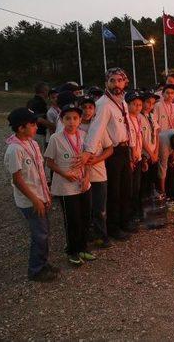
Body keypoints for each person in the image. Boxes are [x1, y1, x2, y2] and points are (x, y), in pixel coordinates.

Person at [4, 107, 58, 282]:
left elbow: (40, 173)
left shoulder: (33, 143)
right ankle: (36, 269)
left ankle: (42, 262)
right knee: (39, 234)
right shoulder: (14, 150)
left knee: (44, 232)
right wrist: (35, 199)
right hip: (29, 201)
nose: (36, 127)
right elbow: (18, 180)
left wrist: (46, 194)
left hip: (40, 196)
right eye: (33, 124)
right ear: (21, 128)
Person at [82, 68, 135, 241]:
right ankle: (113, 227)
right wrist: (88, 151)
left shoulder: (122, 102)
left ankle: (124, 221)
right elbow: (96, 129)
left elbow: (128, 127)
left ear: (124, 82)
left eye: (119, 80)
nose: (116, 84)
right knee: (114, 191)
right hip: (114, 153)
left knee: (126, 188)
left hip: (125, 149)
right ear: (106, 83)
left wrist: (132, 147)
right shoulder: (103, 104)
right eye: (112, 80)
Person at [44, 104, 94, 266]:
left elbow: (87, 159)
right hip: (66, 186)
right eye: (67, 118)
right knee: (73, 220)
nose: (71, 122)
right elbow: (49, 162)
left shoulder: (84, 135)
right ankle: (72, 251)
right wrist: (64, 173)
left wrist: (87, 177)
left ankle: (83, 248)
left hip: (83, 184)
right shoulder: (55, 139)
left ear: (80, 120)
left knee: (86, 216)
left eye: (75, 118)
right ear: (62, 120)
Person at [79, 96, 113, 248]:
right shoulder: (75, 128)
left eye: (90, 107)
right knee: (84, 209)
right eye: (84, 107)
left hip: (98, 174)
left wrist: (98, 159)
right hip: (79, 176)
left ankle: (101, 236)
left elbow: (109, 148)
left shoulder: (98, 127)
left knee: (99, 208)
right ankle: (85, 236)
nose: (87, 111)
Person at [126, 92, 144, 222]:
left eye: (140, 105)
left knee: (137, 187)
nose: (138, 107)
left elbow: (139, 138)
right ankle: (130, 215)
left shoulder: (138, 118)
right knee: (130, 189)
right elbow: (127, 141)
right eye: (134, 104)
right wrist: (130, 159)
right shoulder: (126, 119)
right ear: (128, 105)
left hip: (138, 157)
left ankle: (136, 212)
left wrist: (142, 156)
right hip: (130, 159)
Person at [140, 91, 160, 199]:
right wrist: (150, 154)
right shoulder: (138, 117)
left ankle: (152, 202)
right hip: (144, 154)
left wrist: (156, 152)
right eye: (148, 102)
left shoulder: (151, 116)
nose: (150, 106)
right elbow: (141, 138)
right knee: (144, 181)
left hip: (153, 153)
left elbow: (156, 133)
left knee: (153, 179)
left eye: (153, 103)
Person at [27, 82, 54, 152]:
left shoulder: (30, 102)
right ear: (44, 91)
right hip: (39, 133)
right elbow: (38, 118)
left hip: (29, 132)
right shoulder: (40, 103)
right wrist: (52, 126)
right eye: (47, 90)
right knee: (39, 155)